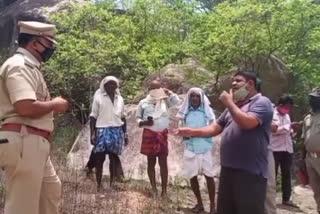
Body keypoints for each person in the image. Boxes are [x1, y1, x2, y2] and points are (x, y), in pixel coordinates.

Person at [177, 71, 274, 214]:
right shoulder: (234, 107)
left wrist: (229, 102)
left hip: (250, 172)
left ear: (250, 84)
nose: (233, 84)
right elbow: (215, 127)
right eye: (232, 82)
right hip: (228, 169)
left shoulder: (262, 102)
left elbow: (247, 123)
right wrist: (191, 131)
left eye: (238, 81)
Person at [0, 21, 69, 214]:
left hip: (32, 141)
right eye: (49, 44)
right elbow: (24, 106)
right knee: (23, 206)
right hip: (24, 139)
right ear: (35, 43)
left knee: (50, 193)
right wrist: (55, 105)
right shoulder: (19, 66)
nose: (51, 49)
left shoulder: (30, 68)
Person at [136, 80, 179, 197]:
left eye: (158, 88)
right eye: (153, 88)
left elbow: (176, 101)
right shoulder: (143, 102)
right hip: (149, 134)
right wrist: (144, 122)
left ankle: (164, 191)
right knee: (151, 162)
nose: (156, 90)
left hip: (162, 134)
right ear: (149, 89)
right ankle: (154, 189)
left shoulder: (165, 100)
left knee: (163, 162)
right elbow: (138, 118)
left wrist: (168, 92)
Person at [176, 88, 216, 214]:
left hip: (204, 148)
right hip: (191, 148)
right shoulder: (184, 113)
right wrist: (184, 135)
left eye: (197, 96)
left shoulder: (207, 112)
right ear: (189, 98)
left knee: (209, 176)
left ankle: (213, 206)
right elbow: (181, 129)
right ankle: (199, 203)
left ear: (201, 98)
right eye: (192, 96)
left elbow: (213, 127)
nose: (194, 98)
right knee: (192, 176)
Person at [89, 76, 128, 190]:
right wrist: (92, 133)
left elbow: (123, 117)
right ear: (104, 86)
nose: (111, 86)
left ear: (116, 86)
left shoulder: (120, 99)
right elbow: (93, 117)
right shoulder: (99, 98)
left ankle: (112, 183)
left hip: (116, 130)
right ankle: (99, 184)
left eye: (113, 84)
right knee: (100, 158)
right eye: (108, 84)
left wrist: (125, 133)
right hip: (102, 130)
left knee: (113, 158)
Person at [270, 95, 299, 208]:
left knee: (287, 174)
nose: (288, 109)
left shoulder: (287, 116)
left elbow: (287, 131)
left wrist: (293, 130)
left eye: (290, 107)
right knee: (273, 174)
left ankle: (286, 199)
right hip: (275, 149)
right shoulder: (272, 114)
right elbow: (274, 131)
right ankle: (271, 198)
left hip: (287, 149)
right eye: (287, 107)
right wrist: (288, 126)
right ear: (280, 105)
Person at [302, 88, 320, 214]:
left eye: (315, 98)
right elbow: (304, 138)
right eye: (311, 97)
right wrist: (303, 159)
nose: (311, 100)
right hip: (309, 158)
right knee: (316, 189)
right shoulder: (307, 117)